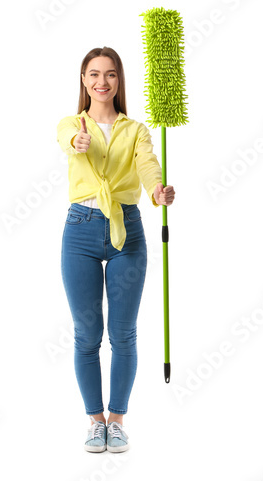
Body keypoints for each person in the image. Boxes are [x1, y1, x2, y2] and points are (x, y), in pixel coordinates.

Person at [56, 47, 175, 453]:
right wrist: (77, 140)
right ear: (84, 80)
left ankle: (118, 419)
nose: (102, 82)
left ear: (119, 81)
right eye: (93, 74)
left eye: (109, 74)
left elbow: (147, 165)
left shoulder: (136, 129)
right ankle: (94, 420)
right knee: (87, 333)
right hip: (81, 230)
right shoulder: (73, 123)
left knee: (122, 333)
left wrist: (157, 192)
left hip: (129, 230)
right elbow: (65, 139)